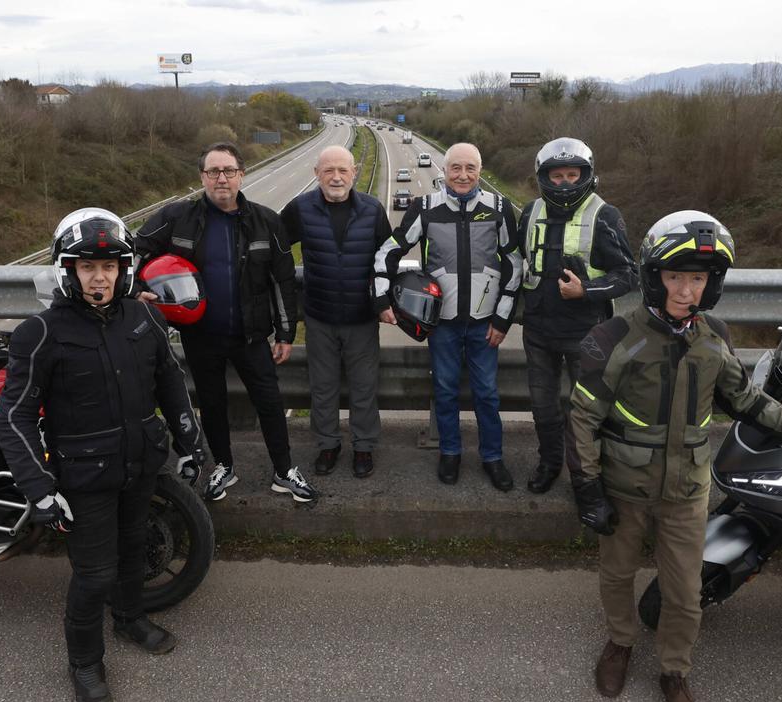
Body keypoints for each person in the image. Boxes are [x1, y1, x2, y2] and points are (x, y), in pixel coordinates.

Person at [568, 210, 782, 702]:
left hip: (685, 491)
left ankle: (674, 675)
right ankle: (619, 642)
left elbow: (750, 402)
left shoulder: (714, 336)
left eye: (698, 279)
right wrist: (587, 486)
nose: (686, 289)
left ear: (712, 284)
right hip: (625, 487)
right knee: (617, 574)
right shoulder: (613, 336)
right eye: (676, 277)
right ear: (654, 276)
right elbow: (583, 417)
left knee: (684, 592)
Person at [0, 208, 206, 702]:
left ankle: (130, 617)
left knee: (135, 547)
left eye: (109, 266)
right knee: (94, 574)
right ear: (67, 270)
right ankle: (85, 664)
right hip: (83, 476)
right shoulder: (39, 333)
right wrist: (39, 487)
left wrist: (191, 443)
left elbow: (171, 384)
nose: (99, 276)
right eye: (87, 266)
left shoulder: (146, 316)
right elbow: (14, 417)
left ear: (123, 269)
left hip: (140, 460)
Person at [134, 141, 315, 504]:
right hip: (200, 335)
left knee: (270, 403)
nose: (221, 178)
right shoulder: (176, 217)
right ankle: (224, 467)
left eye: (228, 171)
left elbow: (282, 279)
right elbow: (135, 250)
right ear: (202, 176)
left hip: (251, 335)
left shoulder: (266, 220)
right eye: (213, 171)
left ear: (241, 175)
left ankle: (284, 470)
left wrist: (284, 332)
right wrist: (137, 287)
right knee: (212, 404)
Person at [373, 142, 522, 490]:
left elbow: (515, 264)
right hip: (443, 324)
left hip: (486, 323)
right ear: (444, 170)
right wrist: (381, 295)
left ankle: (493, 458)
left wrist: (502, 318)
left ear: (480, 171)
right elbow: (390, 250)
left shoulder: (498, 208)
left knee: (486, 393)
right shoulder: (425, 208)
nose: (463, 175)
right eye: (456, 167)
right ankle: (450, 453)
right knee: (445, 390)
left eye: (470, 168)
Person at [516, 137, 638, 495]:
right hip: (537, 330)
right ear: (544, 177)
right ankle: (550, 463)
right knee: (543, 407)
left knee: (587, 410)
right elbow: (514, 263)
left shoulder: (605, 215)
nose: (566, 182)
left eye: (573, 174)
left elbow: (628, 274)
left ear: (586, 175)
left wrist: (585, 290)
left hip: (586, 332)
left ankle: (587, 474)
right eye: (557, 176)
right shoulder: (529, 211)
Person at [280, 145, 392, 478]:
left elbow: (388, 258)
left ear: (354, 172)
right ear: (316, 174)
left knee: (364, 388)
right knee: (323, 388)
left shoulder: (372, 210)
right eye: (328, 170)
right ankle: (328, 446)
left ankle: (363, 448)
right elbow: (277, 248)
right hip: (319, 317)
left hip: (361, 319)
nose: (336, 177)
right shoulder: (300, 209)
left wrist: (383, 302)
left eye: (342, 170)